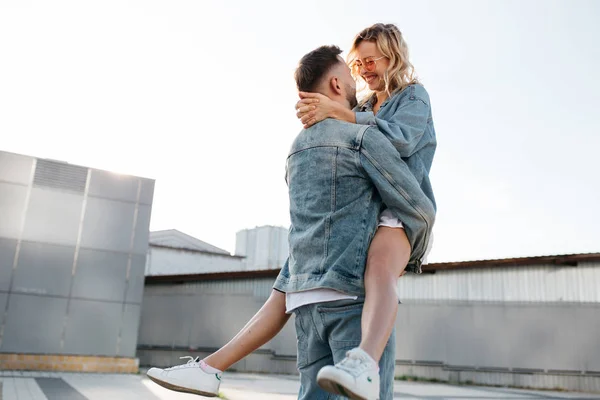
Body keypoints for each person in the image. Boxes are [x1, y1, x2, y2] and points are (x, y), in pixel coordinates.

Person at [147, 23, 437, 400]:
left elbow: (399, 139)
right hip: (359, 215)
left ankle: (365, 360)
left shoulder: (412, 96)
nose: (364, 69)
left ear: (393, 55)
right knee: (287, 283)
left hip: (395, 209)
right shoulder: (360, 107)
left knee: (379, 271)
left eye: (371, 61)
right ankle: (210, 368)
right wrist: (333, 118)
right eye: (358, 63)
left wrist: (341, 115)